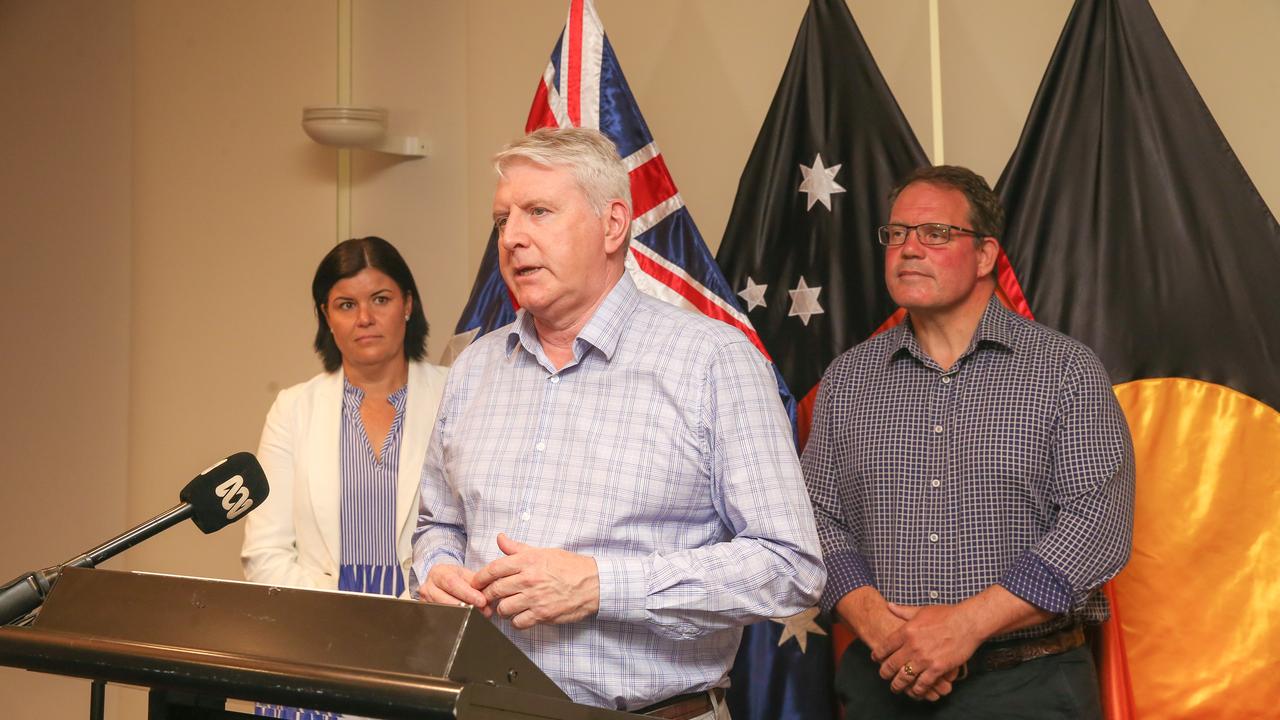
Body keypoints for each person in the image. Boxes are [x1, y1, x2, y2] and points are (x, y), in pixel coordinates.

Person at [411, 127, 825, 717]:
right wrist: (439, 568)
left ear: (613, 225)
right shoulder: (476, 366)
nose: (513, 238)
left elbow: (789, 565)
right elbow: (438, 523)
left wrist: (600, 586)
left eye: (539, 212)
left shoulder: (713, 361)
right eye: (503, 219)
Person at [802, 166, 1135, 718]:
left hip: (1027, 686)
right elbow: (815, 515)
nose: (909, 249)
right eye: (897, 233)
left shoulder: (1064, 371)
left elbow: (1096, 525)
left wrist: (965, 626)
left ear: (985, 256)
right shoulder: (848, 379)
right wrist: (882, 630)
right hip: (881, 681)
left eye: (935, 233)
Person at [242, 236, 448, 598]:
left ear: (408, 304)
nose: (365, 318)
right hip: (319, 628)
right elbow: (264, 554)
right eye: (346, 305)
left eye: (381, 300)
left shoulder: (453, 395)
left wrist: (413, 611)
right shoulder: (292, 410)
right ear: (326, 316)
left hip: (429, 619)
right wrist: (341, 620)